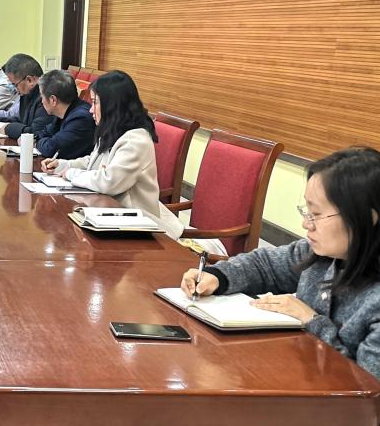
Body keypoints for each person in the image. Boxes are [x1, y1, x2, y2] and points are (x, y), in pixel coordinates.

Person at [180, 147, 380, 380]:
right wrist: (218, 276)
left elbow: (366, 387)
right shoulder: (322, 254)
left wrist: (312, 321)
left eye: (316, 214)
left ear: (368, 218)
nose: (306, 224)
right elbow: (265, 265)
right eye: (306, 211)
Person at [40, 70, 184, 238]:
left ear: (111, 105)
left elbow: (110, 181)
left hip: (137, 222)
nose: (90, 110)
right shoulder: (112, 130)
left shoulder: (136, 139)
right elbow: (92, 161)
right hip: (109, 215)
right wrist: (63, 165)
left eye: (95, 103)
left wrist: (71, 174)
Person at [0, 53, 54, 140]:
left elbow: (35, 133)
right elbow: (20, 120)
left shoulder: (46, 97)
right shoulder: (27, 94)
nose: (15, 89)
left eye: (14, 84)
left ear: (29, 80)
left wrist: (7, 128)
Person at [35, 69, 95, 160]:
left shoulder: (81, 119)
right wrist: (38, 139)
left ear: (53, 100)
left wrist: (36, 143)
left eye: (42, 97)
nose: (42, 102)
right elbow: (44, 133)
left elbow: (51, 149)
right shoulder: (64, 112)